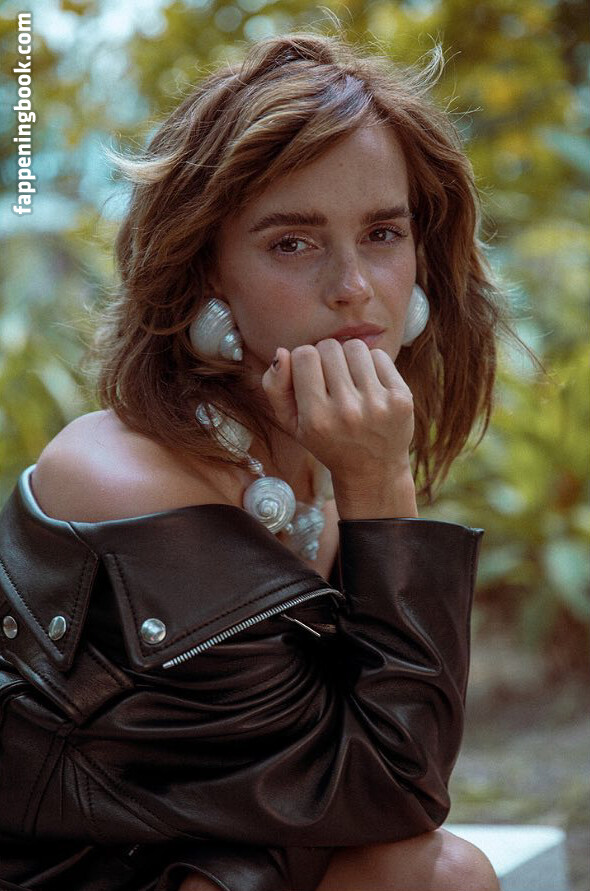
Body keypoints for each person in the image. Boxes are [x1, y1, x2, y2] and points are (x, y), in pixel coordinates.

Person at [0, 32, 504, 891]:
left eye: (383, 232)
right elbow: (394, 786)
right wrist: (383, 487)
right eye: (292, 243)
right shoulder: (121, 481)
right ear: (204, 267)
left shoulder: (308, 474)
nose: (354, 286)